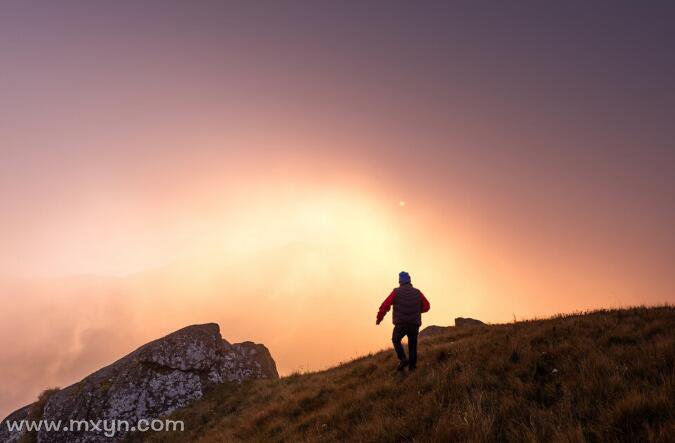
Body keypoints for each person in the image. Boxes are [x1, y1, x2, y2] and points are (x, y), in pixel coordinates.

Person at [376, 271, 430, 371]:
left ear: (400, 281)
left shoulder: (396, 292)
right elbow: (427, 306)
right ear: (409, 281)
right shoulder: (417, 292)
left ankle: (403, 359)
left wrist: (379, 318)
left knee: (396, 339)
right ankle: (412, 368)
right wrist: (416, 311)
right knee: (412, 346)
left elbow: (385, 305)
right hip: (414, 324)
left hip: (401, 324)